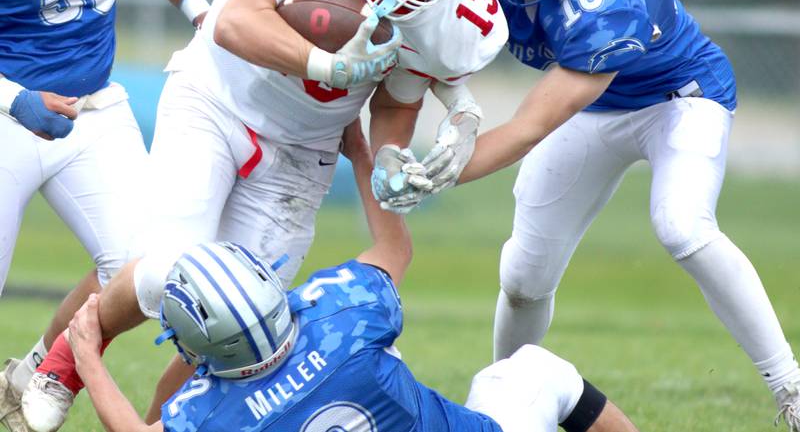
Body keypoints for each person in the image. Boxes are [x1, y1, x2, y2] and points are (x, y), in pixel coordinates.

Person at [21, 0, 508, 432]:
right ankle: (60, 367)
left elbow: (397, 102)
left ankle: (159, 426)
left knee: (240, 331)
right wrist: (325, 63)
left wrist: (392, 156)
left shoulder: (456, 19)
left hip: (305, 152)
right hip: (217, 97)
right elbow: (234, 21)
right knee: (166, 265)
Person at [376, 0, 800, 429]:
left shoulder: (607, 1)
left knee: (682, 225)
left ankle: (790, 385)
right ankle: (508, 401)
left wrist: (440, 173)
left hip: (678, 96)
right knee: (524, 278)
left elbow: (531, 124)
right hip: (599, 104)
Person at [65, 119, 640, 432]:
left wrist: (88, 357)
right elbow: (395, 245)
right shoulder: (345, 315)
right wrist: (363, 155)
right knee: (535, 370)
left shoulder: (209, 413)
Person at [0, 0, 209, 429]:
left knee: (148, 269)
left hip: (95, 105)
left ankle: (38, 373)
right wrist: (13, 97)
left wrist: (199, 12)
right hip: (5, 107)